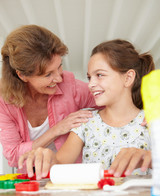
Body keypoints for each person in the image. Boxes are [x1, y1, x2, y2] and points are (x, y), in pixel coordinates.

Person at [19, 39, 154, 180]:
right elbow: (59, 165)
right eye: (89, 77)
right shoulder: (86, 121)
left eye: (100, 75)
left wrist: (152, 159)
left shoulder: (152, 122)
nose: (90, 84)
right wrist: (46, 158)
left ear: (128, 78)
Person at [0, 24, 97, 173]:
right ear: (22, 75)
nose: (58, 78)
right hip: (32, 181)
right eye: (48, 74)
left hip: (72, 176)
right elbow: (13, 156)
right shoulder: (5, 102)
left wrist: (143, 117)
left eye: (59, 66)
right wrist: (56, 130)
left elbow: (111, 101)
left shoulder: (70, 86)